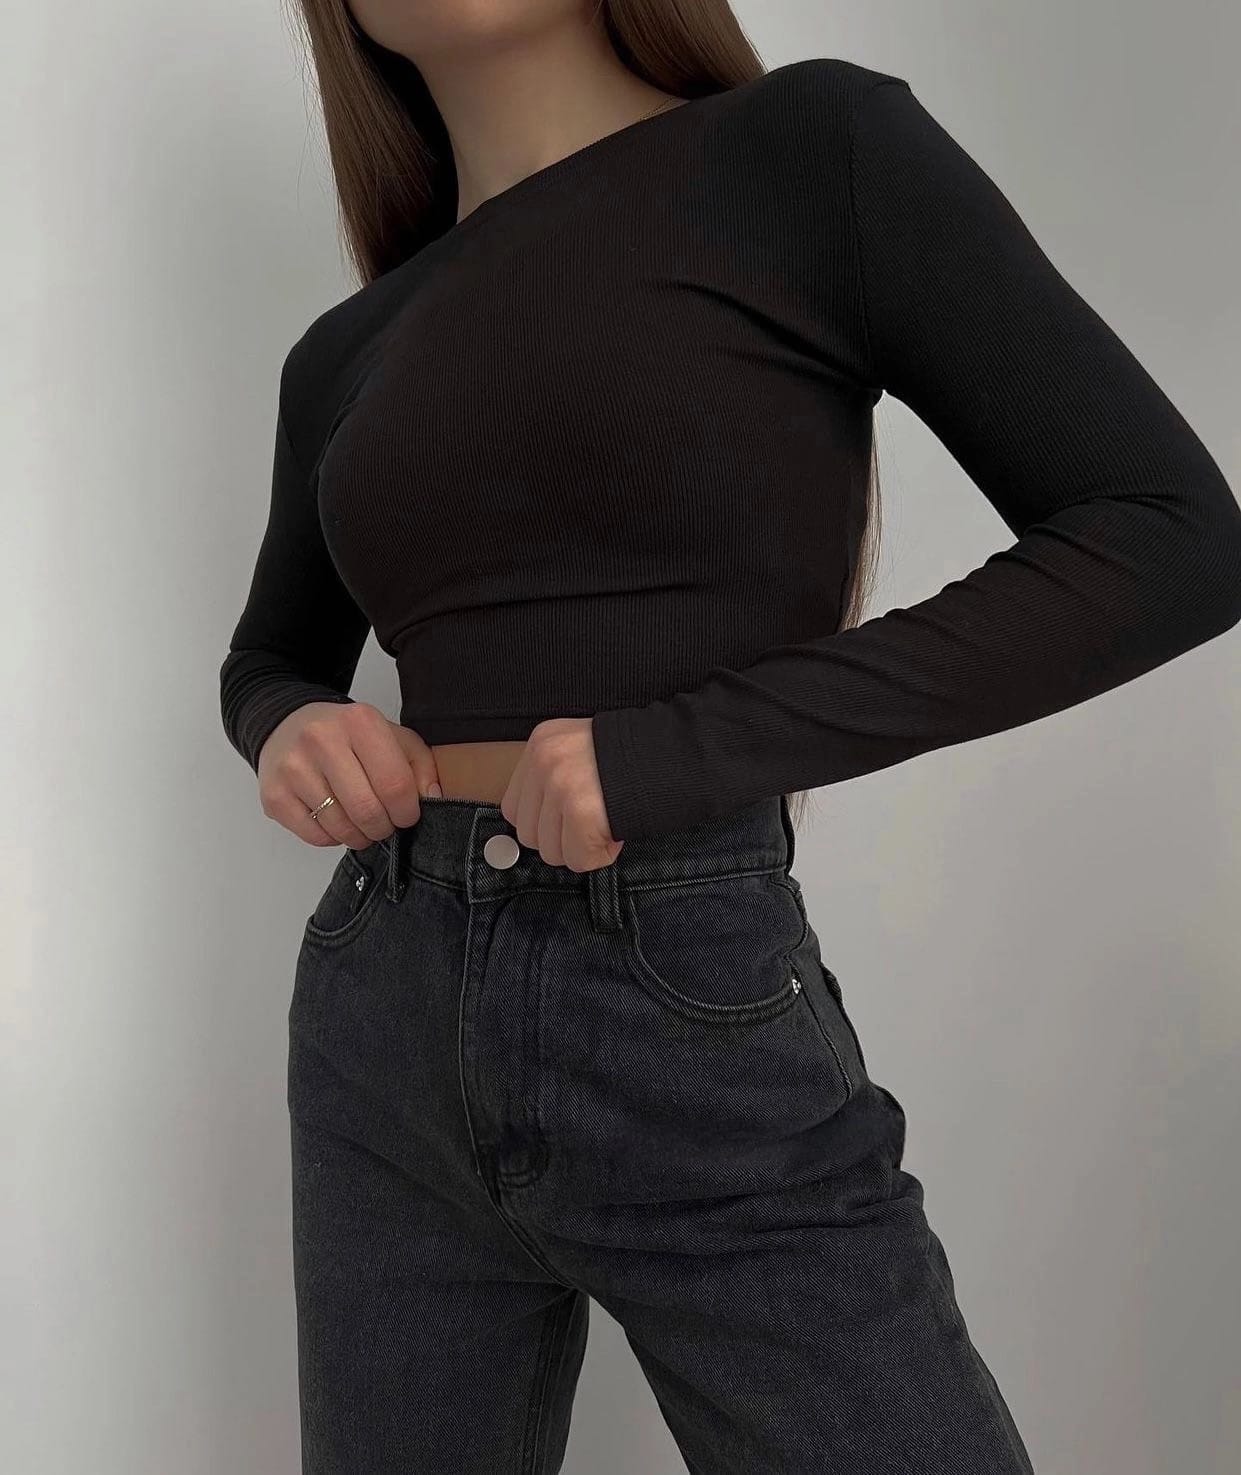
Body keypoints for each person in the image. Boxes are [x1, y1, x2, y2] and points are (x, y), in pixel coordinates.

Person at [218, 3, 1241, 1471]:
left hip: (677, 980)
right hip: (380, 1009)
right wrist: (289, 723)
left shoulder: (810, 149)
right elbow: (271, 655)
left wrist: (681, 751)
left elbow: (1170, 540)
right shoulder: (344, 351)